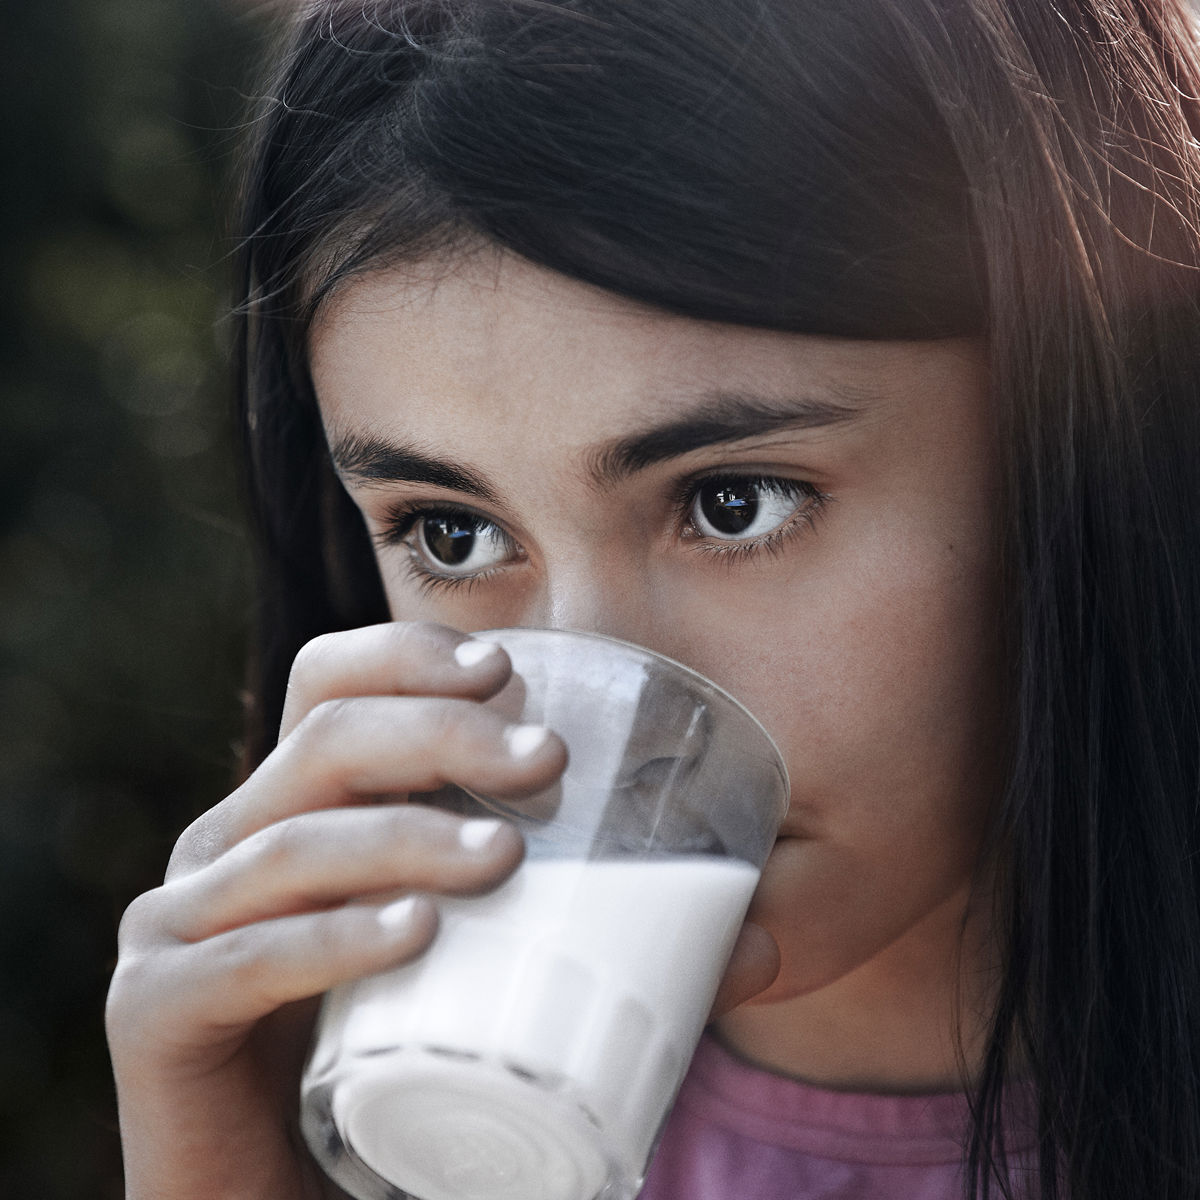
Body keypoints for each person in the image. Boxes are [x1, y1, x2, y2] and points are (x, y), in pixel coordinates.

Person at [104, 0, 1200, 1196]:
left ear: (1093, 436)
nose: (587, 737)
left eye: (736, 504)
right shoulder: (419, 1133)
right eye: (452, 532)